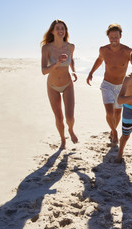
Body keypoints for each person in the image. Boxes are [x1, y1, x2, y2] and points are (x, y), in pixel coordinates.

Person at [86, 23, 132, 146]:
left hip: (121, 87)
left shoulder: (127, 51)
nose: (113, 40)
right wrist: (91, 72)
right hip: (107, 84)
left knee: (117, 113)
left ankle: (113, 131)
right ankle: (114, 132)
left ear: (120, 36)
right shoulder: (103, 50)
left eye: (116, 37)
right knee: (109, 112)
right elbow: (99, 59)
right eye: (111, 37)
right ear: (108, 37)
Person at [41, 19, 78, 149]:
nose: (60, 30)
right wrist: (56, 63)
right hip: (52, 86)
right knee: (59, 118)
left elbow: (71, 61)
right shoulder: (46, 48)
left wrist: (73, 71)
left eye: (63, 28)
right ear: (52, 31)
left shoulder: (70, 47)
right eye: (57, 28)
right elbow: (44, 71)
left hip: (67, 83)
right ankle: (63, 140)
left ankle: (71, 129)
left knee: (70, 117)